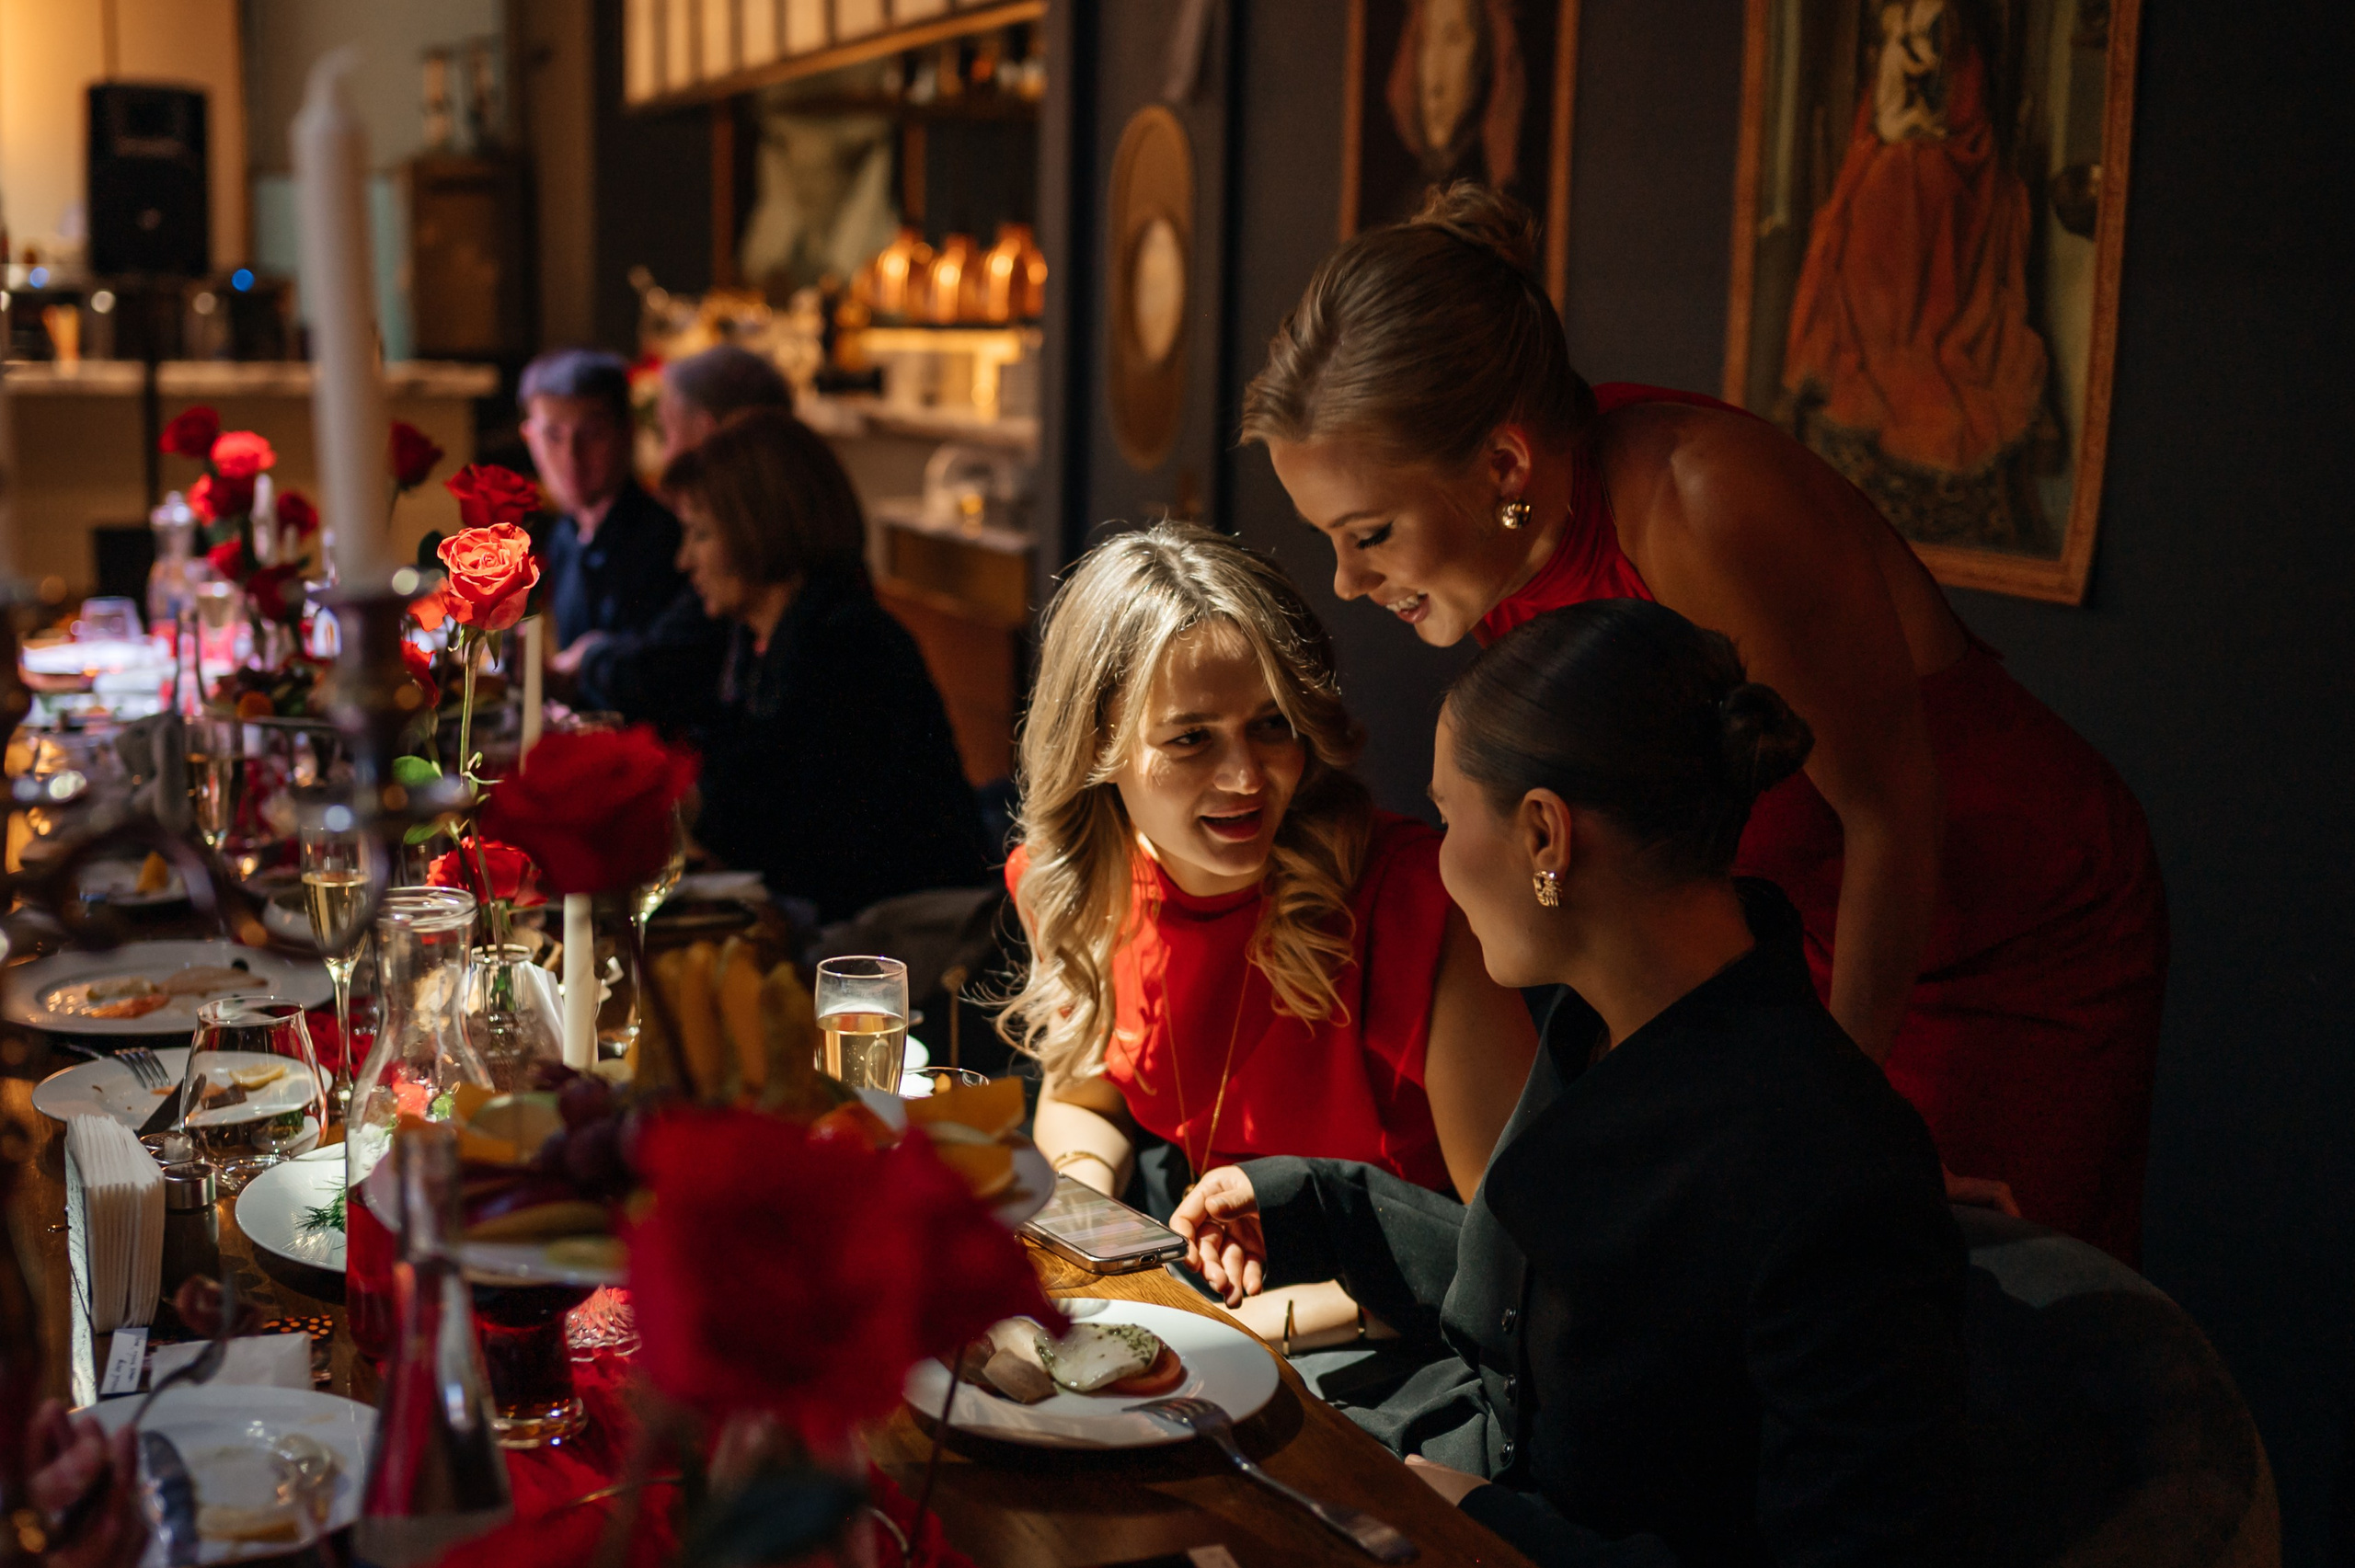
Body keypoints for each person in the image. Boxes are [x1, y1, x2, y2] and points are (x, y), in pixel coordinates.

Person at [1244, 182, 2166, 1264]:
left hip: (1999, 926)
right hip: (1798, 945)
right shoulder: (1505, 554)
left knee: (1958, 1311)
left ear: (1502, 464)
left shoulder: (1698, 505)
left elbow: (1895, 812)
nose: (1348, 582)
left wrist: (1821, 1126)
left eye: (1369, 533)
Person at [1173, 600, 1970, 1566]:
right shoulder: (1602, 1021)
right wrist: (1315, 1203)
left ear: (1545, 836)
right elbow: (1562, 1310)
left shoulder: (1828, 1158)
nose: (1442, 861)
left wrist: (1481, 1522)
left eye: (1447, 816)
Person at [1002, 522, 1537, 1351]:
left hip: (1390, 1331)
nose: (1246, 777)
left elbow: (1506, 1256)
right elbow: (1085, 1092)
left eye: (1273, 724)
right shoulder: (1068, 883)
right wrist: (1084, 1225)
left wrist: (1244, 1331)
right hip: (1192, 1289)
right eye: (1191, 737)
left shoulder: (1417, 905)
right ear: (1098, 745)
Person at [657, 406, 987, 921]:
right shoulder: (765, 637)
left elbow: (774, 824)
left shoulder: (847, 645)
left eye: (699, 534)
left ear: (758, 528)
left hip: (890, 958)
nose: (683, 560)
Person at [561, 345, 794, 724]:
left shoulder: (735, 564)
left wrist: (589, 660)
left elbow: (662, 669)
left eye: (667, 433)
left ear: (709, 436)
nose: (666, 459)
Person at [520, 348, 690, 652]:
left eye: (593, 434)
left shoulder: (666, 540)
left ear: (627, 433)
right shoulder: (565, 535)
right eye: (553, 435)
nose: (571, 457)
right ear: (530, 438)